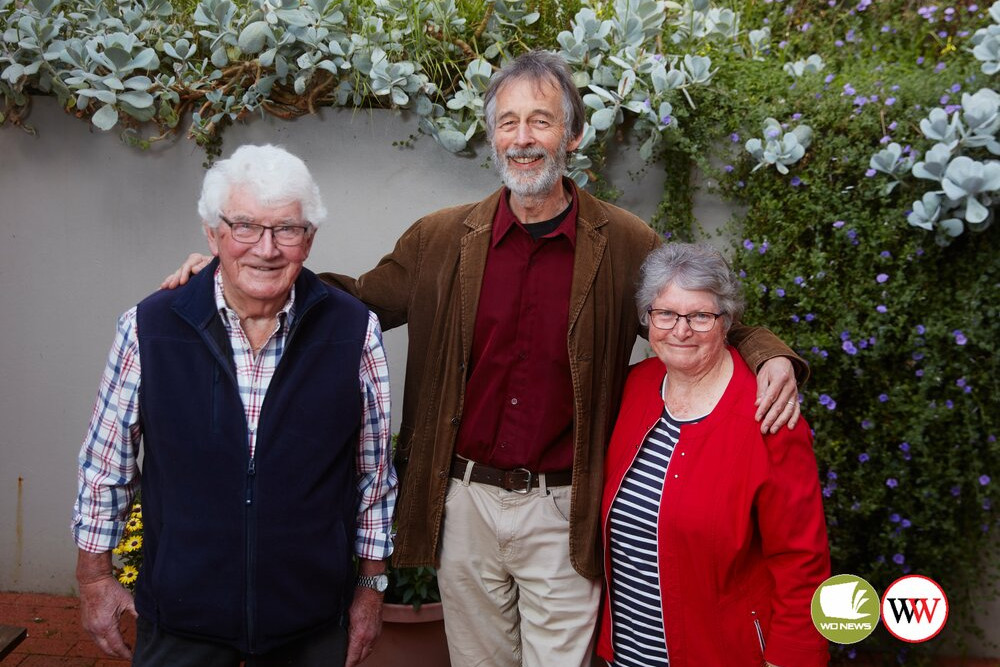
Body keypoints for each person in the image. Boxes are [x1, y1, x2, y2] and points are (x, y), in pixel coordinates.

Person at [162, 51, 806, 667]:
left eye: (541, 120)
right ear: (493, 137)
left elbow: (694, 311)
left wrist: (768, 354)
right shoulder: (440, 238)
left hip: (564, 507)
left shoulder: (623, 242)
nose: (523, 137)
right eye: (508, 122)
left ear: (572, 137)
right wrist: (238, 274)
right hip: (463, 505)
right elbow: (355, 303)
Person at [73, 144, 397, 667]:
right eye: (245, 226)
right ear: (212, 233)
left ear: (309, 240)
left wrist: (370, 590)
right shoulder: (149, 327)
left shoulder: (354, 331)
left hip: (310, 618)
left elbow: (374, 477)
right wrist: (94, 578)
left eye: (287, 229)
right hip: (181, 616)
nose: (266, 248)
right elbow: (106, 466)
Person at [597, 242, 830, 667]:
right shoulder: (634, 388)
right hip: (628, 654)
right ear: (647, 318)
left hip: (723, 653)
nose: (680, 330)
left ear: (728, 321)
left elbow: (802, 561)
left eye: (701, 315)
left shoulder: (769, 416)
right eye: (665, 313)